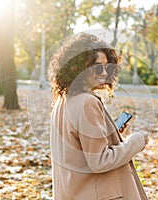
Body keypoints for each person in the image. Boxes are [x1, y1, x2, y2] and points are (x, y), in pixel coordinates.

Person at [48, 33, 149, 200]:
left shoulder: (63, 101)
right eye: (97, 67)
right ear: (78, 69)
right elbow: (99, 161)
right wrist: (135, 142)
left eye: (107, 67)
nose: (104, 73)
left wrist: (111, 132)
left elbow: (79, 149)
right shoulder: (87, 102)